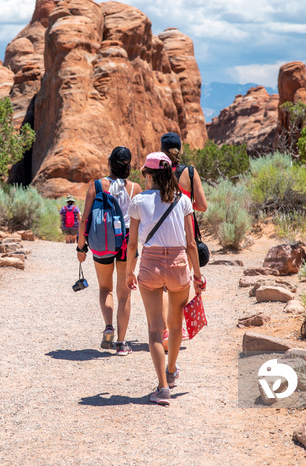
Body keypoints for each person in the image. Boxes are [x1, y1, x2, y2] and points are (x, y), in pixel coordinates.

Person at [125, 152, 204, 406]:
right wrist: (198, 276)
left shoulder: (138, 201)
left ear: (149, 176)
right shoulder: (183, 201)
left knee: (154, 329)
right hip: (179, 265)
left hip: (150, 265)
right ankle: (171, 372)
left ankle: (162, 388)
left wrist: (129, 272)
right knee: (175, 322)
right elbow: (191, 243)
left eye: (145, 174)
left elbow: (133, 243)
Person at [76, 146, 142, 356]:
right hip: (126, 245)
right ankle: (122, 344)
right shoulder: (135, 189)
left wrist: (81, 247)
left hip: (102, 242)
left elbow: (84, 219)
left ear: (109, 162)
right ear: (128, 165)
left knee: (106, 289)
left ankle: (108, 327)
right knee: (124, 294)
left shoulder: (96, 186)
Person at [159, 132, 208, 351]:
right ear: (180, 148)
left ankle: (166, 331)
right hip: (185, 231)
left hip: (160, 232)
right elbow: (202, 205)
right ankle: (177, 329)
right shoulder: (190, 172)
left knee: (161, 287)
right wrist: (186, 205)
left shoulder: (157, 171)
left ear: (162, 149)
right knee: (180, 283)